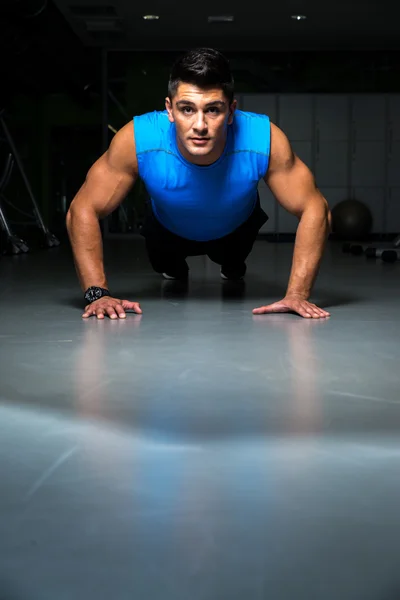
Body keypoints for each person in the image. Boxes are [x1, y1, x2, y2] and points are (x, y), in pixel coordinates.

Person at [66, 47, 331, 320]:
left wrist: (298, 294)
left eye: (213, 109)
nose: (200, 125)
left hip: (235, 229)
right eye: (187, 109)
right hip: (167, 229)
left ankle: (232, 264)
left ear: (231, 111)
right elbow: (82, 208)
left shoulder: (264, 138)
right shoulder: (137, 138)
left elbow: (315, 207)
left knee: (233, 267)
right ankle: (175, 265)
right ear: (169, 109)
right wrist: (96, 294)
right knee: (171, 272)